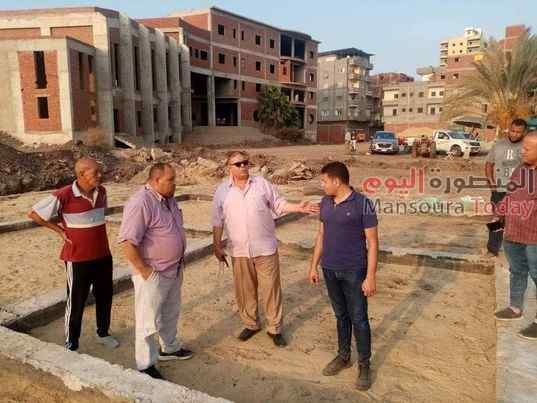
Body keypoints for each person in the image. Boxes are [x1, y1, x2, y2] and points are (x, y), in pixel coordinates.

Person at [212, 151, 319, 347]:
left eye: (245, 163)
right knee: (245, 291)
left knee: (271, 290)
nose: (243, 166)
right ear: (229, 168)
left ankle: (275, 328)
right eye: (238, 164)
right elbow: (217, 220)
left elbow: (278, 204)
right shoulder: (222, 191)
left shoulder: (261, 184)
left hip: (265, 249)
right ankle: (251, 324)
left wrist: (298, 207)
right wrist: (216, 245)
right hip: (239, 251)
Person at [28, 157, 119, 352]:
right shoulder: (64, 194)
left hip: (103, 255)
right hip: (77, 258)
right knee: (76, 300)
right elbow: (35, 214)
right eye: (96, 172)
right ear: (81, 174)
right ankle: (71, 342)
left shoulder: (102, 192)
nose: (100, 175)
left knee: (105, 296)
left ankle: (103, 333)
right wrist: (59, 230)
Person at [118, 163, 192, 380]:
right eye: (171, 180)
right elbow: (127, 242)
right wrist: (145, 271)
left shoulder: (169, 199)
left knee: (170, 312)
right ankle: (145, 365)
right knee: (147, 320)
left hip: (173, 269)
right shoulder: (141, 202)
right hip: (153, 273)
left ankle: (169, 348)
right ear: (156, 180)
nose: (175, 184)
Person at [309, 161, 378, 391]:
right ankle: (343, 356)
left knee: (359, 318)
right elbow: (321, 235)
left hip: (354, 270)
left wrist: (370, 276)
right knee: (341, 315)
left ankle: (364, 365)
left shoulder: (363, 204)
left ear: (337, 181)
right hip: (330, 269)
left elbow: (372, 242)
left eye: (324, 181)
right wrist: (313, 265)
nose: (322, 185)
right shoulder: (325, 202)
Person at [494, 132, 537, 340]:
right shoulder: (520, 169)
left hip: (534, 236)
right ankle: (515, 307)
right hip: (513, 232)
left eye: (527, 149)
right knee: (517, 270)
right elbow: (510, 194)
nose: (522, 151)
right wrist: (499, 213)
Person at [485, 118, 527, 256]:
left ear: (524, 132)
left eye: (518, 132)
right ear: (509, 129)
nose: (515, 134)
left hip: (519, 191)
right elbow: (489, 164)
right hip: (499, 189)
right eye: (512, 131)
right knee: (496, 220)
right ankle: (492, 249)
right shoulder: (498, 145)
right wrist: (492, 184)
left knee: (518, 220)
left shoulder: (528, 147)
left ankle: (517, 251)